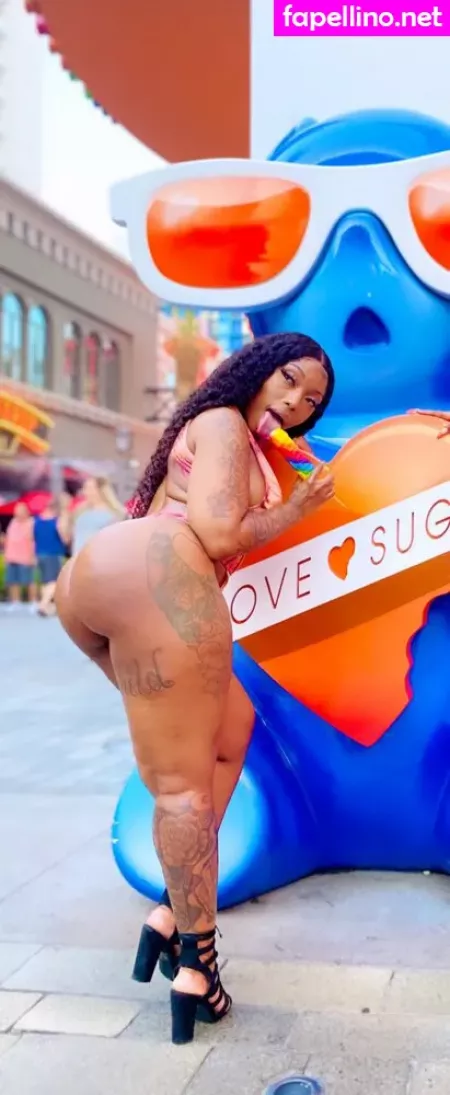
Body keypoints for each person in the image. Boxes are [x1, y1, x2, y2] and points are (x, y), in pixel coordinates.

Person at [55, 332, 335, 1044]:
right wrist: (299, 509)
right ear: (255, 370)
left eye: (312, 401)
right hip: (163, 572)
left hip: (103, 580)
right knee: (183, 788)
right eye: (290, 379)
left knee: (231, 731)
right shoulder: (225, 423)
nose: (297, 403)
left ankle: (170, 911)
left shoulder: (229, 435)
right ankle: (196, 967)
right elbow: (216, 533)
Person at [71, 476, 125, 556]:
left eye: (89, 488)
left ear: (100, 490)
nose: (85, 492)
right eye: (85, 488)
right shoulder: (80, 511)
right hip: (77, 557)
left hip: (99, 557)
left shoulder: (113, 514)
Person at [34, 498, 68, 617]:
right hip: (53, 553)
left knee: (45, 581)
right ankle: (43, 605)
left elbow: (34, 538)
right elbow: (64, 538)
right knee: (53, 580)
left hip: (40, 553)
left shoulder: (37, 520)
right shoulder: (56, 521)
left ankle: (47, 605)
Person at [4, 503, 36, 611]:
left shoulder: (31, 523)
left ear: (26, 512)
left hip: (26, 557)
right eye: (16, 511)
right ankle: (15, 602)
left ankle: (33, 601)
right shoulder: (13, 522)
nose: (17, 513)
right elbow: (8, 538)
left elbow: (34, 540)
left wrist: (33, 556)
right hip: (12, 557)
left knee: (29, 581)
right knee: (12, 581)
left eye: (20, 511)